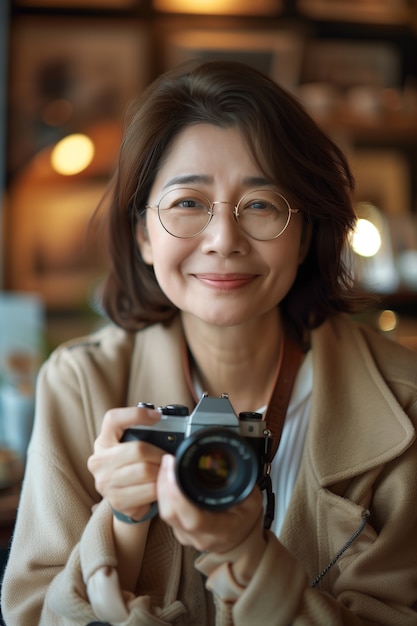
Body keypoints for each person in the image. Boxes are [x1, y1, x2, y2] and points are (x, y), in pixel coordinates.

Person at [2, 60, 417, 626]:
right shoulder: (79, 385)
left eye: (263, 205)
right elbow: (34, 617)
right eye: (188, 204)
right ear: (144, 233)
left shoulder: (404, 400)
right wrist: (123, 524)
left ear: (305, 236)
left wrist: (246, 557)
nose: (224, 240)